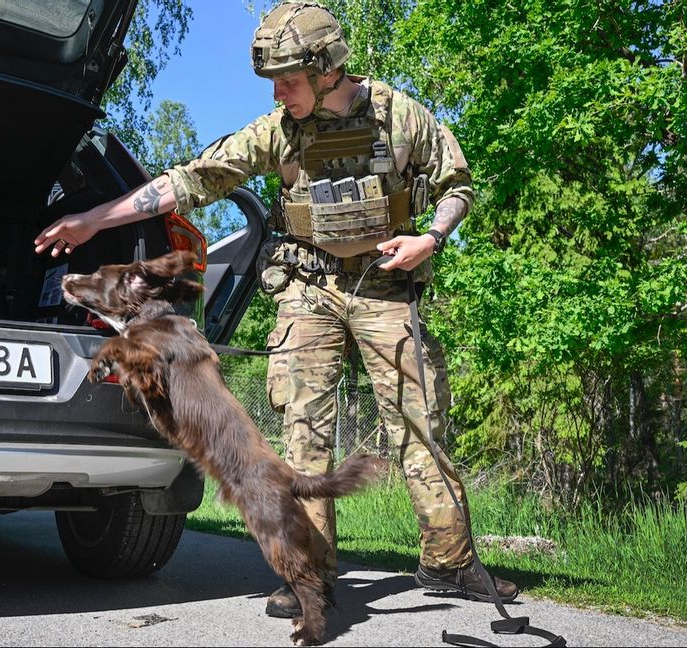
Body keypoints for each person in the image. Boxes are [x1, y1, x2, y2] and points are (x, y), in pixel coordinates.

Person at [34, 0, 518, 618]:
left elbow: (458, 187)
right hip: (308, 288)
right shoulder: (278, 132)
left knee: (419, 420)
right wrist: (91, 219)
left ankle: (450, 562)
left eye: (289, 79)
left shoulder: (402, 118)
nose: (279, 92)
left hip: (385, 286)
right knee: (302, 432)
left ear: (327, 69)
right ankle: (309, 575)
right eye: (274, 81)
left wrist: (432, 237)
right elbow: (191, 181)